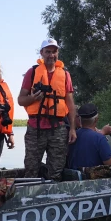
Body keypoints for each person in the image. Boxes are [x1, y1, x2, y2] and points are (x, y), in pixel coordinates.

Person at [17, 38, 77, 181]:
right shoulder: (32, 72)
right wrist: (33, 98)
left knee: (56, 169)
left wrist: (73, 128)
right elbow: (21, 100)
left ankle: (53, 198)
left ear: (58, 53)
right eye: (48, 52)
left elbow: (70, 103)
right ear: (42, 53)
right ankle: (29, 198)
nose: (51, 55)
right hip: (35, 128)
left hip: (58, 128)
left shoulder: (65, 74)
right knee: (31, 168)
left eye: (54, 52)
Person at [67, 103, 111, 178]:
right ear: (96, 119)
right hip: (93, 183)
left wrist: (103, 132)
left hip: (75, 180)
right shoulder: (99, 138)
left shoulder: (73, 135)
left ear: (80, 119)